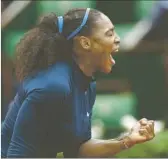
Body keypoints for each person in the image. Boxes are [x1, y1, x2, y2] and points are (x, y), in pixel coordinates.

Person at [1, 8, 155, 158]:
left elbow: (78, 149)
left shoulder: (87, 84)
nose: (118, 38)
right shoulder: (54, 87)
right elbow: (17, 154)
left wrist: (126, 140)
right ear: (85, 43)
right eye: (110, 33)